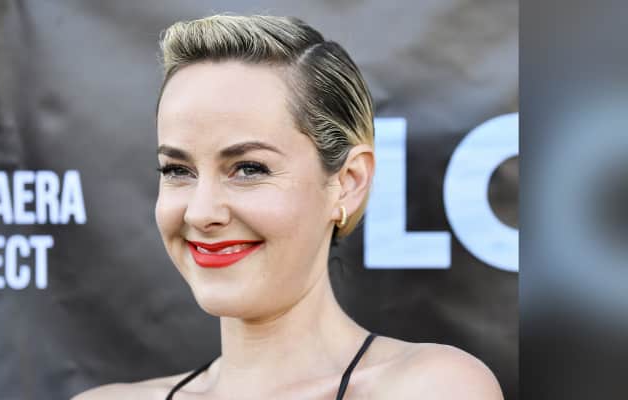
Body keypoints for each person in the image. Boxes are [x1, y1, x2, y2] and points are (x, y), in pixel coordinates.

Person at [74, 14, 503, 400]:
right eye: (177, 170)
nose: (201, 213)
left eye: (248, 168)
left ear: (348, 183)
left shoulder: (432, 389)